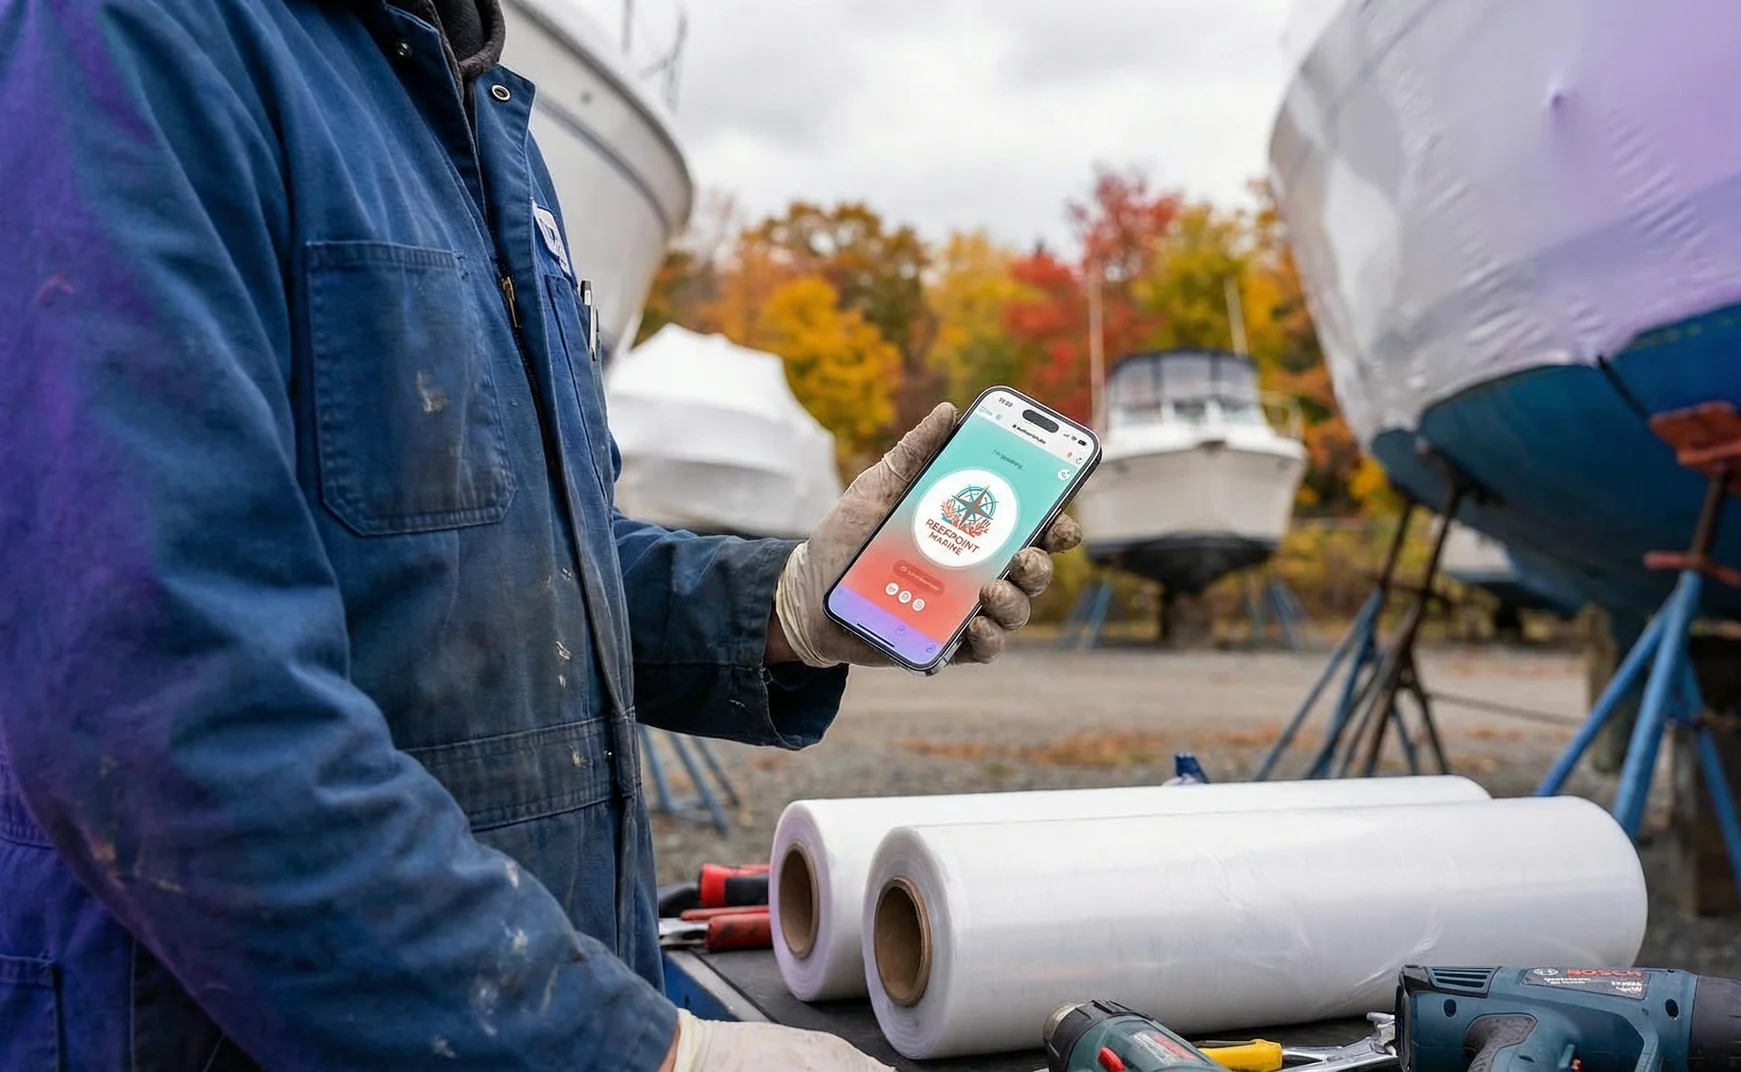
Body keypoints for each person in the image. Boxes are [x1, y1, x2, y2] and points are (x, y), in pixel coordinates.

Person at [0, 0, 1080, 1067]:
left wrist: (794, 603)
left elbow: (517, 572)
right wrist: (647, 1055)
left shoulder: (478, 115)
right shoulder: (134, 35)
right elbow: (162, 702)